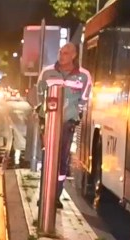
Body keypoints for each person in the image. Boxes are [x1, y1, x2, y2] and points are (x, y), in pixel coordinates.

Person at [37, 42, 92, 209]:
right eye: (60, 52)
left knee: (62, 161)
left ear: (74, 55)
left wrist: (76, 114)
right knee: (47, 158)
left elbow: (85, 98)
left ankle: (56, 196)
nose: (62, 55)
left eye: (66, 53)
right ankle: (44, 194)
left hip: (67, 123)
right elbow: (38, 94)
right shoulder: (47, 72)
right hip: (48, 122)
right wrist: (42, 114)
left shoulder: (83, 76)